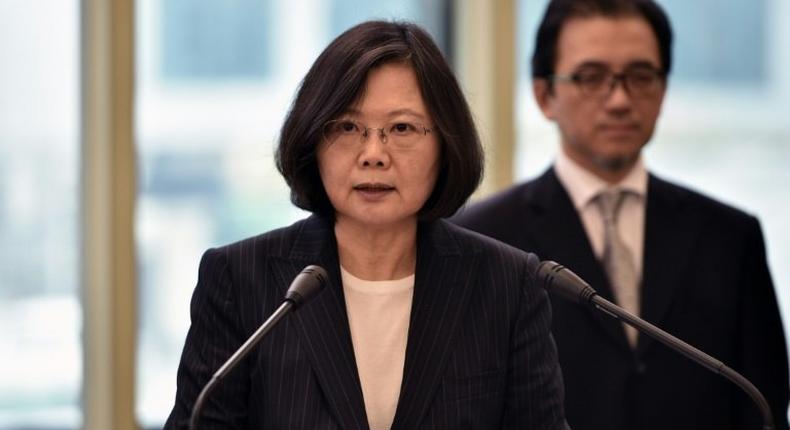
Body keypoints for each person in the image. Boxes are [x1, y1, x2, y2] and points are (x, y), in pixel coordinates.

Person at [163, 20, 569, 430]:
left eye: (402, 128)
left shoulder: (507, 285)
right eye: (347, 127)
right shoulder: (240, 280)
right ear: (312, 141)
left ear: (446, 144)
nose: (374, 154)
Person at [452, 1, 789, 429]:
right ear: (544, 95)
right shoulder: (481, 238)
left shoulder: (730, 237)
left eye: (640, 76)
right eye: (591, 78)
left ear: (663, 90)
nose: (619, 99)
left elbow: (765, 403)